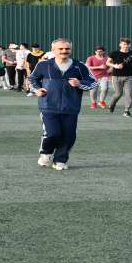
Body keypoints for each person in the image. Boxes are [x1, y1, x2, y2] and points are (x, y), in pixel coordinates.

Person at [29, 38, 97, 170]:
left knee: (69, 135)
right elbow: (32, 78)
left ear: (71, 50)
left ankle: (60, 160)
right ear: (53, 50)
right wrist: (36, 89)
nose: (64, 51)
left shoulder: (79, 66)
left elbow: (94, 82)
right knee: (52, 133)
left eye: (67, 49)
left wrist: (80, 84)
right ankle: (46, 153)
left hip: (71, 107)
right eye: (60, 49)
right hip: (48, 106)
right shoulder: (43, 65)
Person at [106, 37, 132, 117]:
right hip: (116, 76)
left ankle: (126, 110)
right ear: (120, 44)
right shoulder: (114, 53)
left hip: (129, 77)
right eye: (124, 44)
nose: (126, 46)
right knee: (118, 94)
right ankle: (112, 104)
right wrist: (115, 66)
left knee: (129, 94)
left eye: (127, 44)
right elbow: (107, 62)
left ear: (129, 45)